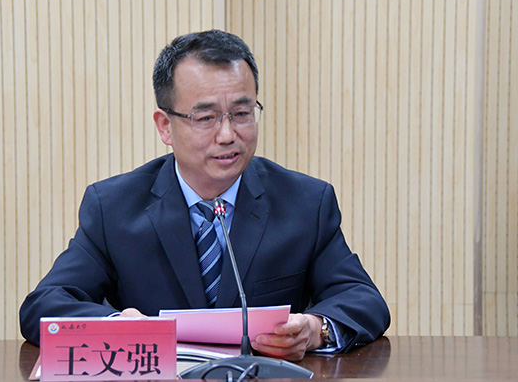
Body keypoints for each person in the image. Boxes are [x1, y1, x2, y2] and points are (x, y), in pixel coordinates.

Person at [19, 29, 390, 361]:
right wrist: (119, 326)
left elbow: (364, 301)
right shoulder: (113, 207)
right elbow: (44, 307)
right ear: (165, 126)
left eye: (242, 113)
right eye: (205, 118)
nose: (227, 135)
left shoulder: (305, 203)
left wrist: (314, 329)